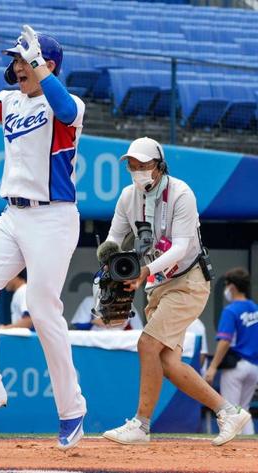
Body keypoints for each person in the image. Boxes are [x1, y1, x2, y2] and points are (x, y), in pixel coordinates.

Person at [0, 13, 87, 450]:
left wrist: (41, 65)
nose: (18, 65)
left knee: (45, 312)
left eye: (26, 59)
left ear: (47, 64)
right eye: (17, 60)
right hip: (13, 214)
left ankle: (72, 410)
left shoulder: (69, 104)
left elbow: (64, 109)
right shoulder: (9, 101)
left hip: (53, 216)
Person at [101, 137, 250, 446]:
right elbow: (114, 239)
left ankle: (140, 425)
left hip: (189, 281)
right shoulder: (128, 197)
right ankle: (229, 412)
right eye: (132, 165)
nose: (137, 171)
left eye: (144, 165)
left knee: (146, 345)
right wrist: (107, 265)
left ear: (160, 166)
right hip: (157, 286)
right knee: (168, 363)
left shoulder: (181, 193)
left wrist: (144, 271)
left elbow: (181, 247)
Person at [205, 268, 258, 435]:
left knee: (230, 412)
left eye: (227, 285)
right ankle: (250, 451)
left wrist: (212, 367)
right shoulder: (255, 308)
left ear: (233, 287)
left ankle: (231, 453)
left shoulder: (231, 310)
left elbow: (225, 340)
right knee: (244, 411)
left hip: (235, 367)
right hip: (254, 367)